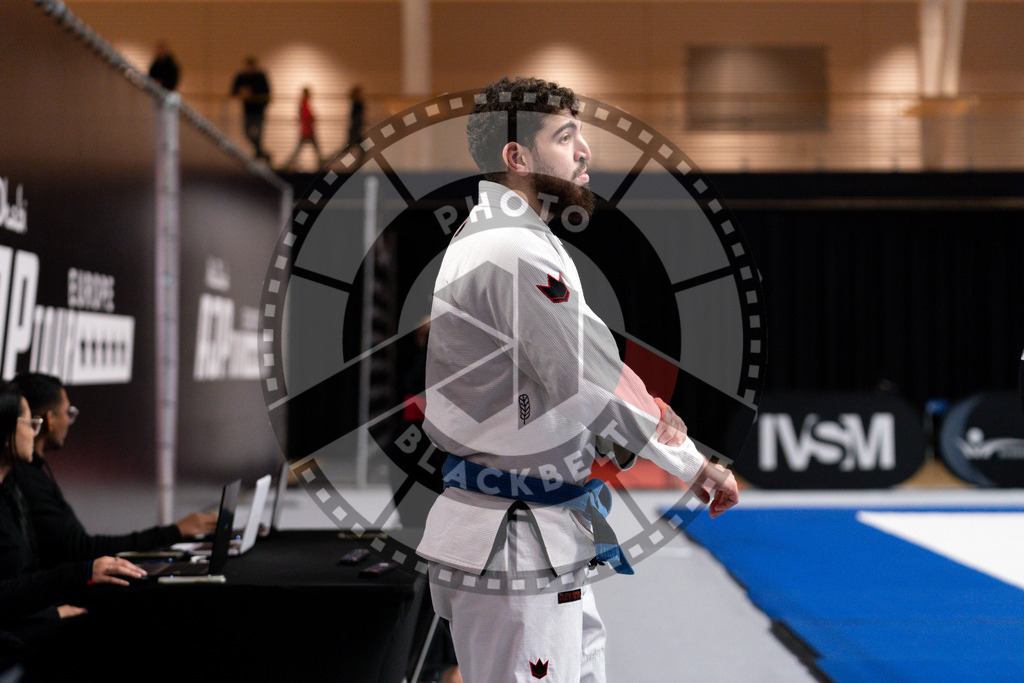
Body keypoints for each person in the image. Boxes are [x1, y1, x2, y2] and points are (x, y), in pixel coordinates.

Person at [416, 77, 739, 682]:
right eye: (565, 137)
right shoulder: (511, 247)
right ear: (517, 156)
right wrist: (691, 467)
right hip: (511, 537)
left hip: (537, 531)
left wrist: (674, 439)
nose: (585, 151)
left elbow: (599, 363)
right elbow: (584, 384)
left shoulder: (519, 238)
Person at [0, 385, 146, 663]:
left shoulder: (12, 492)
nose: (36, 432)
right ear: (5, 429)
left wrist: (49, 612)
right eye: (30, 424)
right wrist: (79, 574)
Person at [8, 373, 216, 569]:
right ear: (49, 421)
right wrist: (173, 532)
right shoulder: (24, 479)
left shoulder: (32, 474)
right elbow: (79, 549)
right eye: (68, 413)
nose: (70, 422)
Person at [231, 56, 271, 161]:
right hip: (247, 111)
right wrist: (241, 92)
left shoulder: (261, 77)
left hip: (259, 111)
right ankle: (260, 152)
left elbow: (267, 92)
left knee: (259, 135)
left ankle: (259, 153)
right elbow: (233, 91)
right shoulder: (241, 77)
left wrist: (252, 93)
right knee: (247, 133)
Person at [283, 87, 324, 172]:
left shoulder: (304, 104)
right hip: (307, 130)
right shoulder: (304, 104)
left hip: (307, 130)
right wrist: (312, 118)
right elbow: (306, 117)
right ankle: (288, 164)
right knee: (314, 149)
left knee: (301, 150)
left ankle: (288, 163)